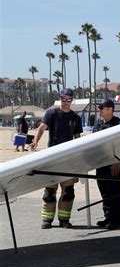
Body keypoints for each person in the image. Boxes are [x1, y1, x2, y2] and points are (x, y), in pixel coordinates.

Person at [29, 88, 83, 229]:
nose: (66, 102)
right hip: (52, 159)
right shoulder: (51, 113)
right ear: (60, 99)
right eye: (63, 99)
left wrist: (80, 158)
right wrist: (36, 141)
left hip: (68, 160)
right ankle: (47, 220)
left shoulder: (75, 118)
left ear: (72, 100)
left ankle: (64, 219)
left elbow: (78, 138)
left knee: (68, 192)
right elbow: (41, 128)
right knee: (49, 192)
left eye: (69, 100)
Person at [93, 99, 120, 230]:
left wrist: (117, 161)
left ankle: (115, 220)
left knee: (114, 191)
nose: (99, 110)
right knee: (104, 191)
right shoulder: (99, 124)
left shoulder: (119, 124)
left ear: (110, 109)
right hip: (100, 162)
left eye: (102, 108)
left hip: (113, 162)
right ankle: (108, 217)